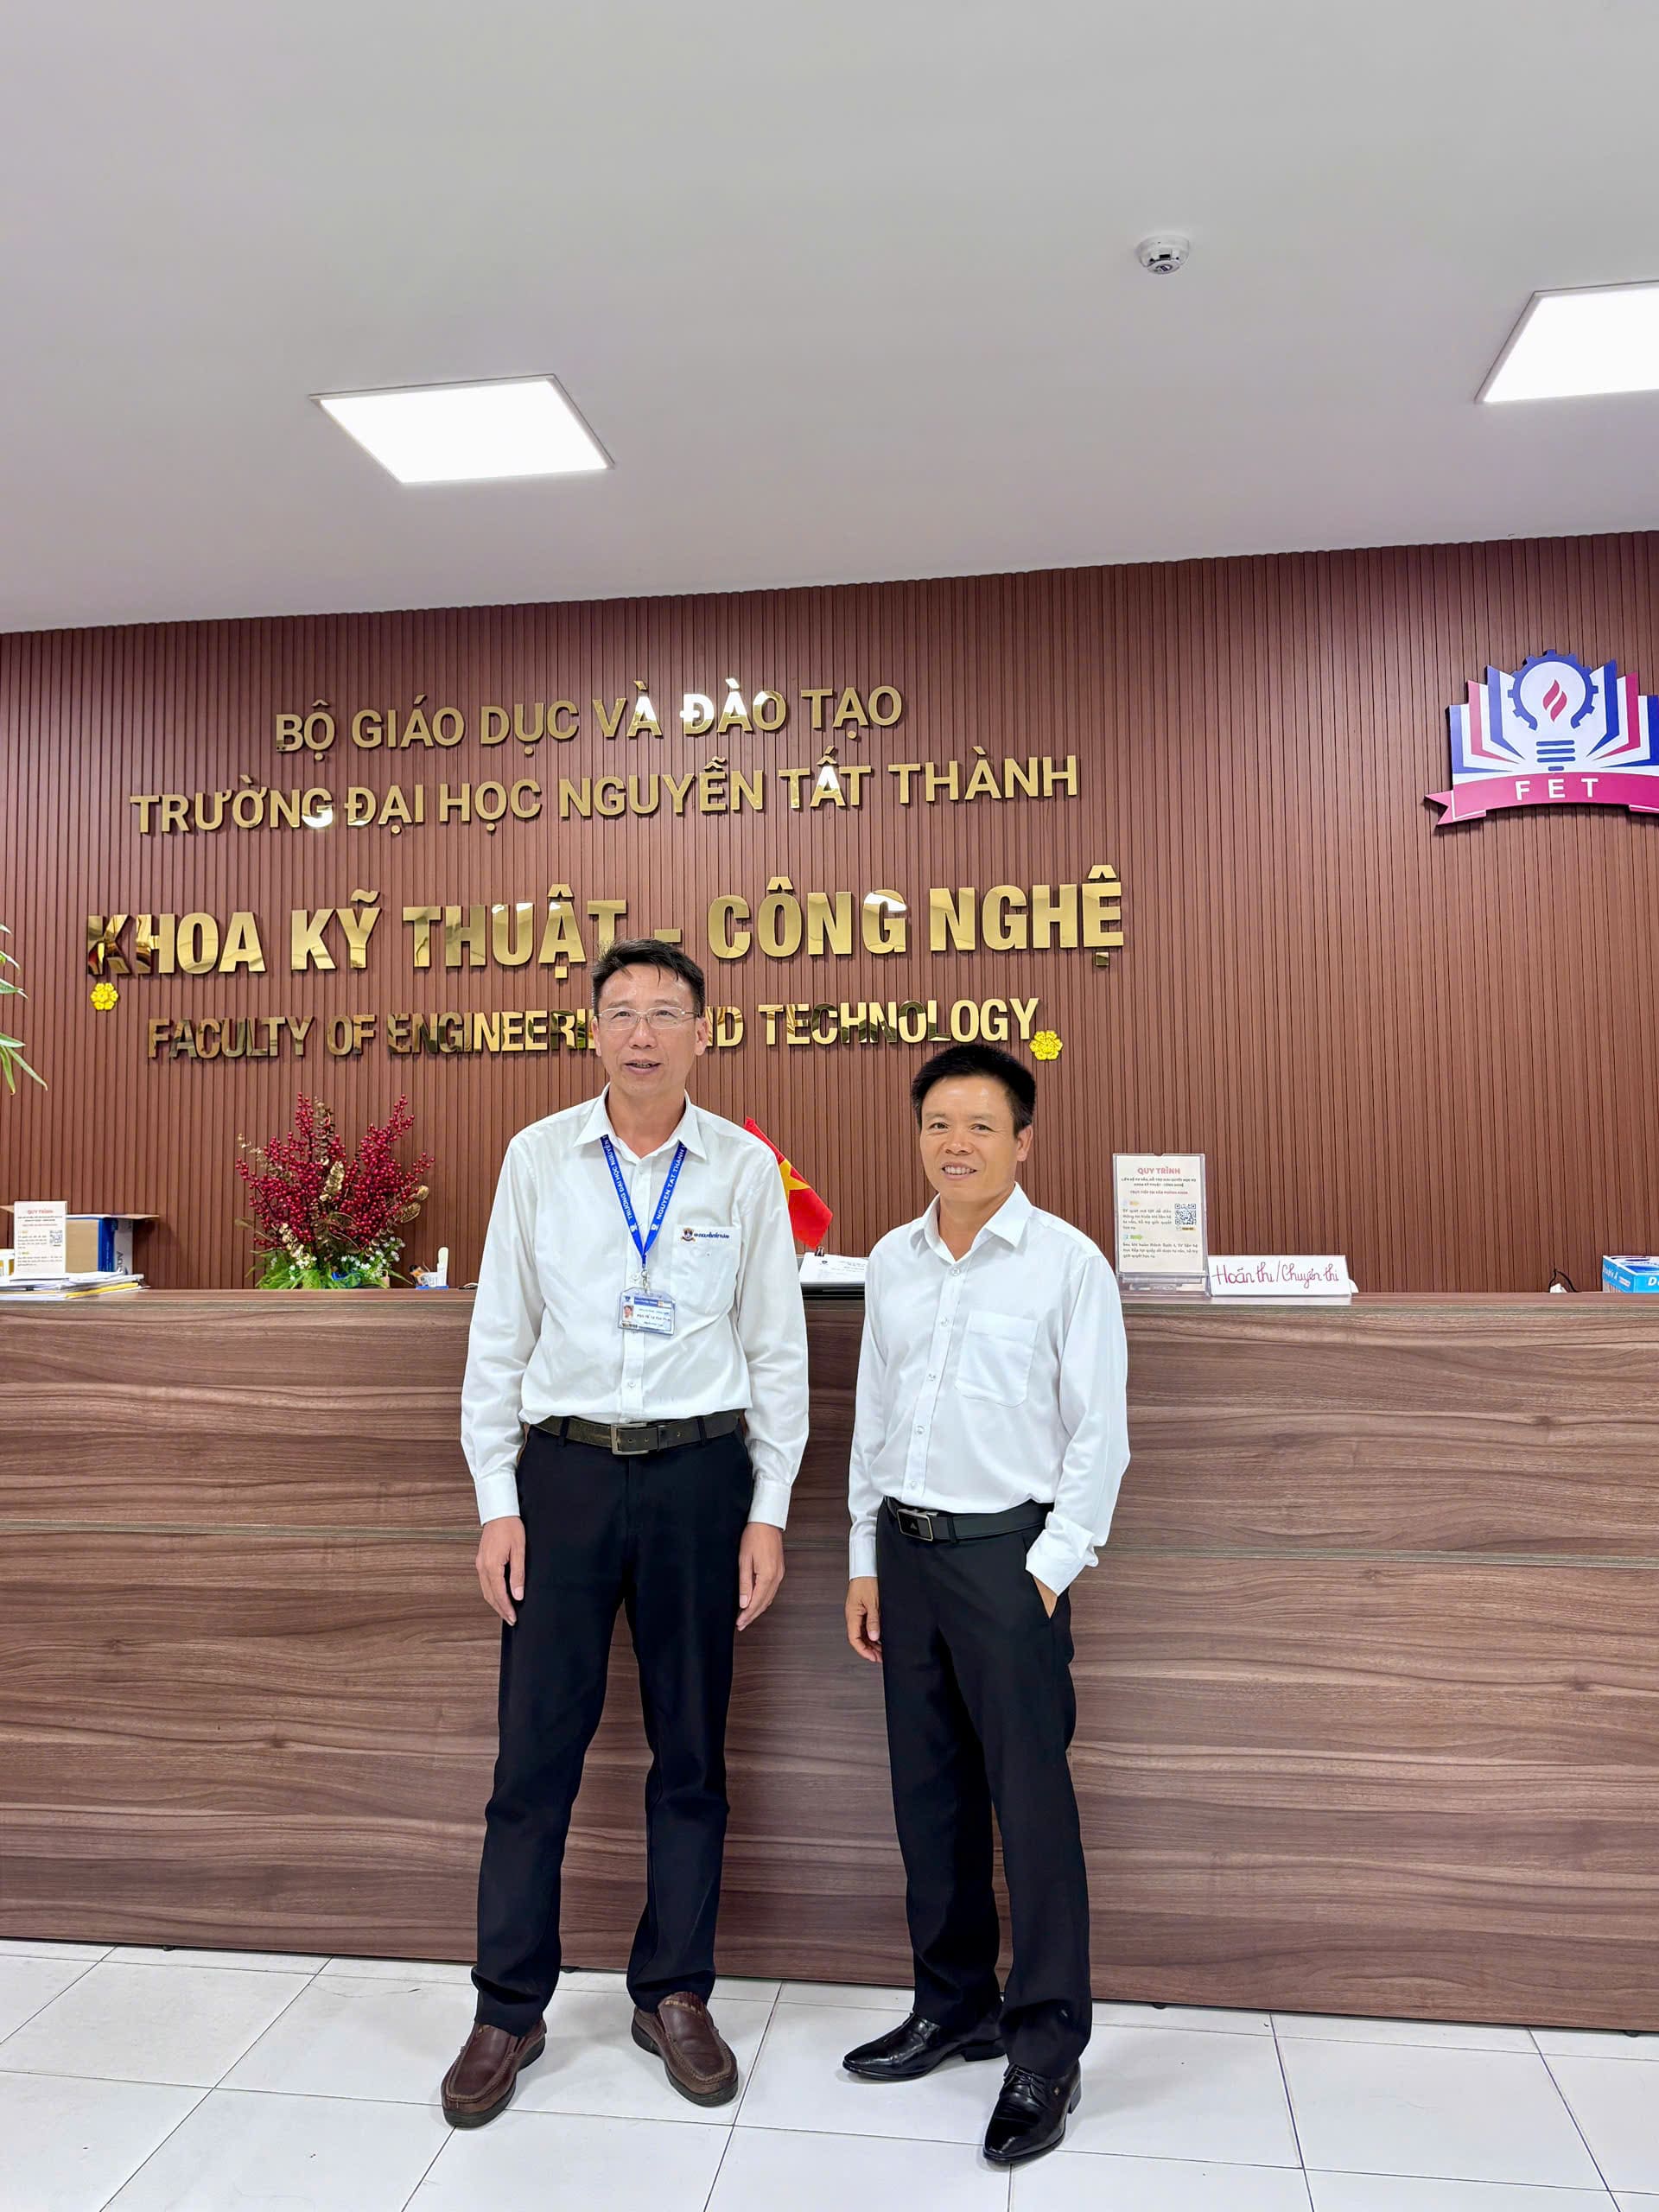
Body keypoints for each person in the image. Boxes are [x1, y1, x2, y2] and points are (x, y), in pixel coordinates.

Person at [441, 939, 809, 2126]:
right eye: (621, 1012)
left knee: (691, 1753)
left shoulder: (742, 1169)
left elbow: (777, 1352)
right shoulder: (538, 1159)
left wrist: (766, 1510)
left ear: (704, 1031)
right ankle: (508, 2006)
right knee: (532, 1756)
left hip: (701, 1477)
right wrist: (497, 1498)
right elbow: (499, 1338)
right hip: (564, 1478)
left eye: (664, 1012)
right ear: (593, 1029)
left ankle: (675, 1992)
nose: (641, 1033)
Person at [842, 1042, 1128, 2166]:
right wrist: (864, 1558)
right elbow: (874, 1416)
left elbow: (1100, 1436)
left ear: (1022, 1142)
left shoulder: (1068, 1266)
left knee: (1032, 1808)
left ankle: (1045, 2048)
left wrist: (1049, 1569)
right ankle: (952, 2004)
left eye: (979, 1126)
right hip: (906, 1554)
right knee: (930, 1798)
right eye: (937, 1124)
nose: (955, 1144)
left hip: (1010, 1559)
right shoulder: (892, 1261)